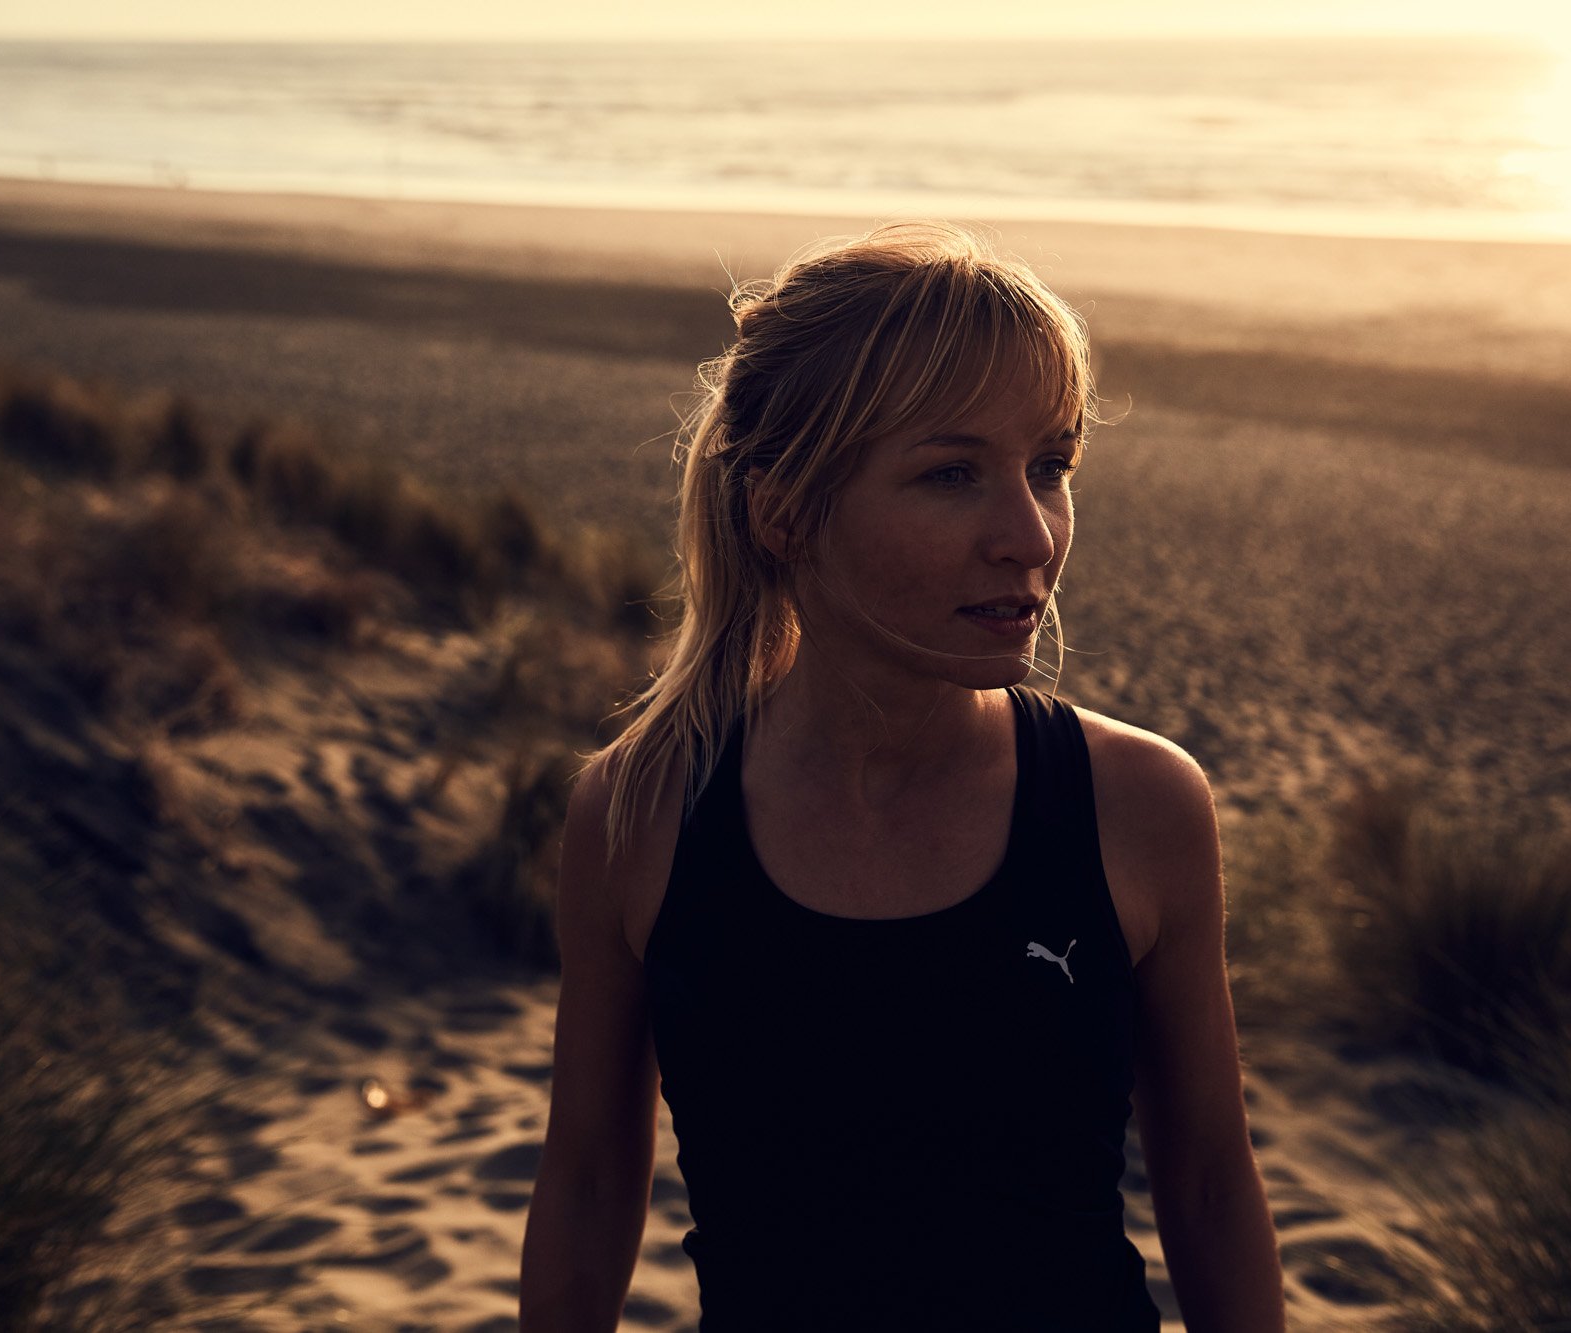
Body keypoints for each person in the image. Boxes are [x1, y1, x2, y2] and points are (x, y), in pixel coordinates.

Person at [518, 222, 1284, 1332]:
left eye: (1050, 468)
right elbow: (588, 1186)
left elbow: (1210, 1189)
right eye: (950, 474)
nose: (1029, 535)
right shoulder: (641, 812)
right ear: (783, 511)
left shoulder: (1137, 804)